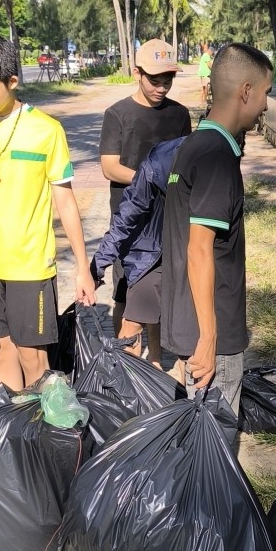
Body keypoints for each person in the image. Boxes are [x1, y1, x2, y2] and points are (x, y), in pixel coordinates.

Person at [0, 35, 96, 393]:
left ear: (12, 81)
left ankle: (45, 439)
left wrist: (82, 268)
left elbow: (65, 202)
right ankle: (10, 439)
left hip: (30, 266)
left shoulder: (46, 131)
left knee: (34, 358)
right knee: (0, 353)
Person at [161, 43, 273, 430]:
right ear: (246, 91)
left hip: (187, 325)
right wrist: (209, 338)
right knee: (211, 462)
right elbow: (199, 250)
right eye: (265, 94)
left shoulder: (193, 145)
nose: (264, 106)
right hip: (213, 338)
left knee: (194, 452)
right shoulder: (216, 158)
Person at [98, 39, 192, 358]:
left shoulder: (179, 115)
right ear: (137, 73)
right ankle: (125, 362)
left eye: (168, 80)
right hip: (131, 220)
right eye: (155, 79)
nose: (162, 87)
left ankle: (155, 360)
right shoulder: (118, 114)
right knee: (125, 295)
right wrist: (149, 177)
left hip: (167, 222)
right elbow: (109, 167)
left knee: (157, 292)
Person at [91, 135, 186, 367]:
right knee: (134, 320)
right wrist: (96, 266)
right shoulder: (156, 164)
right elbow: (125, 217)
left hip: (187, 254)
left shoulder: (213, 160)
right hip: (150, 255)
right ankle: (123, 379)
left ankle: (156, 365)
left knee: (176, 327)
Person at [197, 42, 213, 111]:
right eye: (212, 53)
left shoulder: (205, 55)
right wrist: (214, 69)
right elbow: (209, 65)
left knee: (203, 88)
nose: (212, 54)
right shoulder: (207, 56)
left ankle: (201, 101)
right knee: (206, 87)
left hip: (202, 73)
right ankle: (205, 101)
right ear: (210, 51)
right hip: (205, 74)